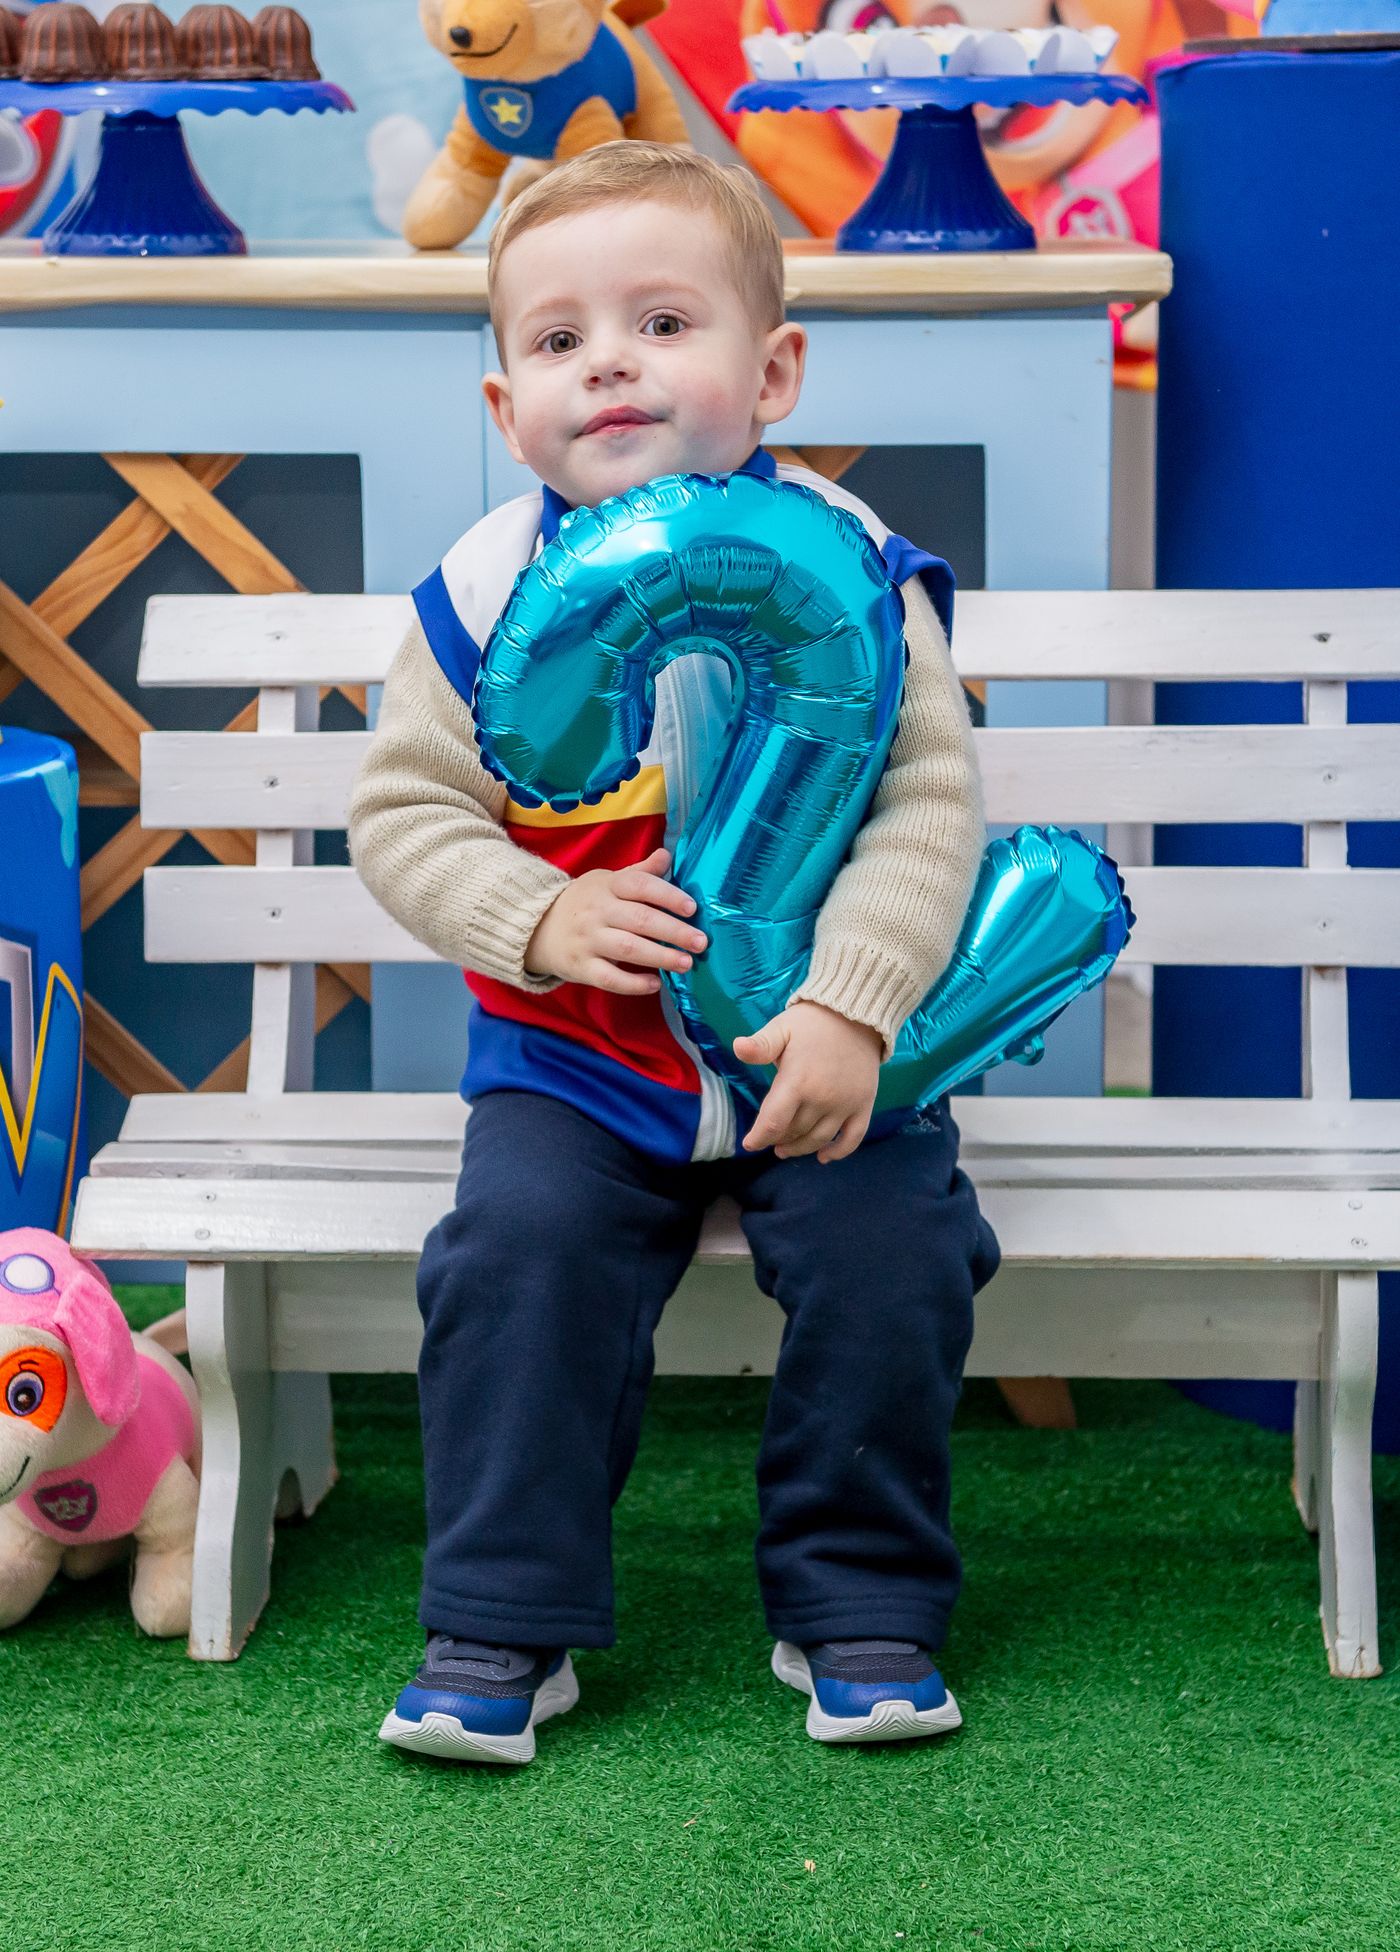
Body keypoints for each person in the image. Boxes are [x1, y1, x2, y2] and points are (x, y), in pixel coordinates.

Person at [348, 141, 1000, 1767]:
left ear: (771, 372)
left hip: (816, 1058)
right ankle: (502, 1614)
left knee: (895, 1256)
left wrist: (854, 1009)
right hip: (579, 1061)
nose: (610, 365)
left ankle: (860, 1597)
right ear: (508, 408)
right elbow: (405, 819)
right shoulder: (481, 594)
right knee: (515, 1257)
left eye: (660, 322)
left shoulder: (854, 565)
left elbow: (927, 807)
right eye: (560, 340)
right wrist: (536, 917)